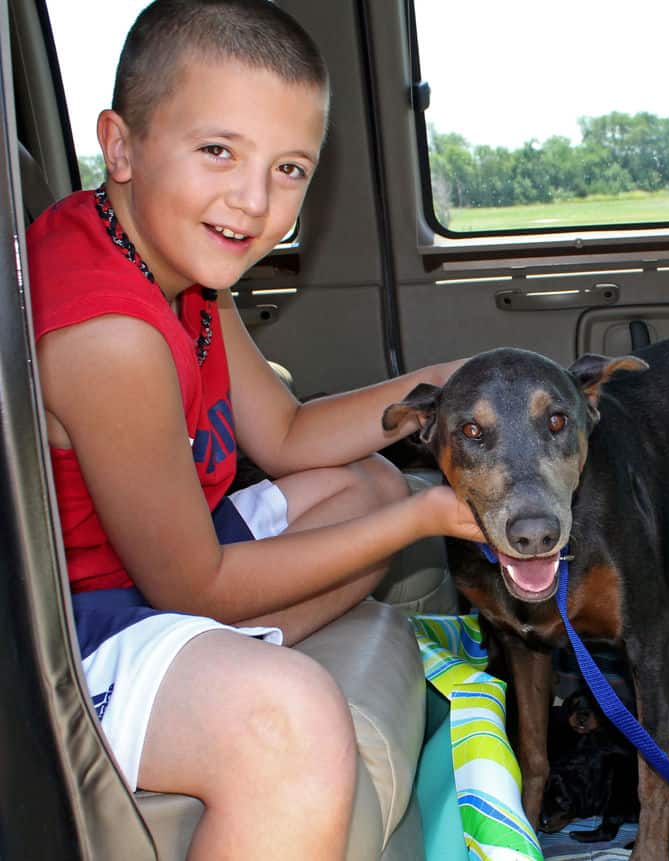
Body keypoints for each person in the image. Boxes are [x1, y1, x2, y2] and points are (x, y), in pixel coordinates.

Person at [27, 1, 484, 857]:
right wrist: (424, 519)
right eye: (217, 151)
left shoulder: (180, 264)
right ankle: (240, 655)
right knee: (295, 718)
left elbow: (287, 433)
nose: (252, 201)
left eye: (289, 169)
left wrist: (442, 384)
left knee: (372, 484)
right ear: (119, 146)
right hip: (70, 621)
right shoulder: (111, 337)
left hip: (150, 567)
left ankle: (246, 631)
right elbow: (190, 587)